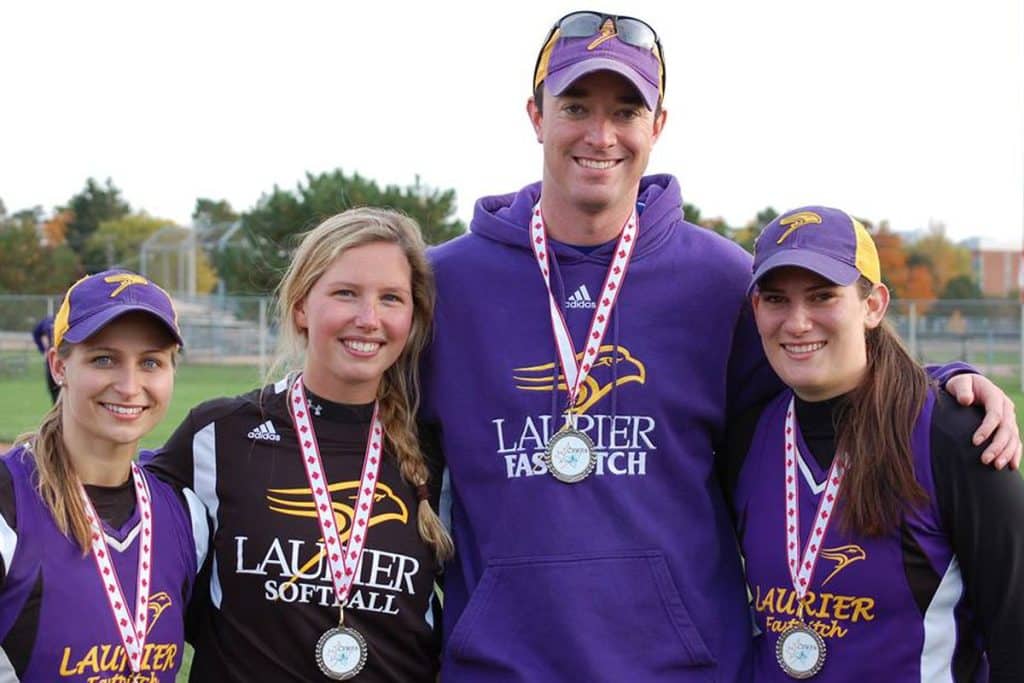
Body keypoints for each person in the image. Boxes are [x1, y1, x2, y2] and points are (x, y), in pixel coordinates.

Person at [419, 10, 1021, 681]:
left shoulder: (721, 279)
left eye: (625, 110)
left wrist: (946, 390)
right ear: (536, 115)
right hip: (498, 667)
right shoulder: (446, 283)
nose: (600, 134)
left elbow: (819, 375)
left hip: (684, 666)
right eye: (575, 106)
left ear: (658, 126)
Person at [144, 207, 453, 681]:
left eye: (391, 298)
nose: (368, 318)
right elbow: (124, 542)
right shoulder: (218, 435)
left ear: (412, 317)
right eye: (345, 293)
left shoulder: (437, 449)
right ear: (302, 305)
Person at [722, 206, 1024, 680]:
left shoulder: (956, 436)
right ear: (757, 309)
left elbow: (1015, 631)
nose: (798, 322)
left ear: (874, 305)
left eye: (823, 296)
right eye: (777, 299)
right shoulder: (745, 439)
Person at [0, 269, 208, 681]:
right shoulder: (9, 504)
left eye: (151, 362)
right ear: (59, 366)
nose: (130, 386)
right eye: (104, 359)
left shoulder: (185, 513)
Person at [32, 313, 59, 402]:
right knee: (52, 388)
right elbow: (36, 333)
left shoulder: (71, 318)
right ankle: (57, 411)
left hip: (66, 358)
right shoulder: (49, 321)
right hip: (51, 360)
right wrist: (43, 350)